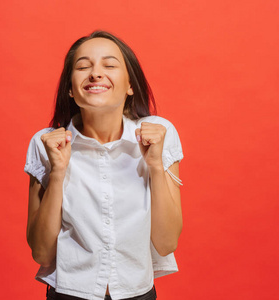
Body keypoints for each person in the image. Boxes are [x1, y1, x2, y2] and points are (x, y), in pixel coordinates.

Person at [24, 31, 183, 300]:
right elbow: (41, 252)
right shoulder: (46, 144)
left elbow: (167, 244)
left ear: (130, 85)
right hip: (68, 293)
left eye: (109, 65)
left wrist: (155, 166)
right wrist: (59, 173)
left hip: (138, 293)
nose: (96, 74)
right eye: (84, 66)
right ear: (71, 89)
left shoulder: (159, 133)